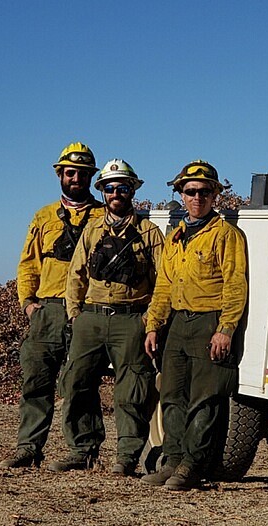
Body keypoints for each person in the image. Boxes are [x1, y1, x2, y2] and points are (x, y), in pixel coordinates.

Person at [141, 160, 248, 491]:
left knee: (206, 399)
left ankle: (191, 465)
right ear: (181, 195)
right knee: (172, 396)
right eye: (190, 191)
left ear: (215, 195)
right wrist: (154, 325)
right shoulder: (173, 239)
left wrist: (226, 329)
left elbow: (235, 284)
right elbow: (163, 286)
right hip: (178, 323)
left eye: (204, 191)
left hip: (209, 322)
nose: (197, 197)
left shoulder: (226, 236)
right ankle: (172, 460)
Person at [0, 142, 105, 469]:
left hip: (85, 310)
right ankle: (28, 447)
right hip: (46, 311)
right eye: (70, 172)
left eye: (83, 173)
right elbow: (28, 263)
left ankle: (83, 451)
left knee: (81, 383)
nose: (76, 178)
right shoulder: (43, 216)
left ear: (91, 177)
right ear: (60, 174)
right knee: (36, 380)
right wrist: (28, 304)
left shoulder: (104, 215)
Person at [57, 159, 164, 474]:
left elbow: (164, 283)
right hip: (90, 318)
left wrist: (150, 322)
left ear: (132, 190)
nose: (116, 193)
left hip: (131, 320)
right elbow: (75, 274)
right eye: (110, 187)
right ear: (102, 191)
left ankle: (126, 458)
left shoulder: (150, 233)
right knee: (75, 383)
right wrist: (75, 313)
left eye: (123, 187)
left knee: (131, 390)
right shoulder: (92, 230)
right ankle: (82, 450)